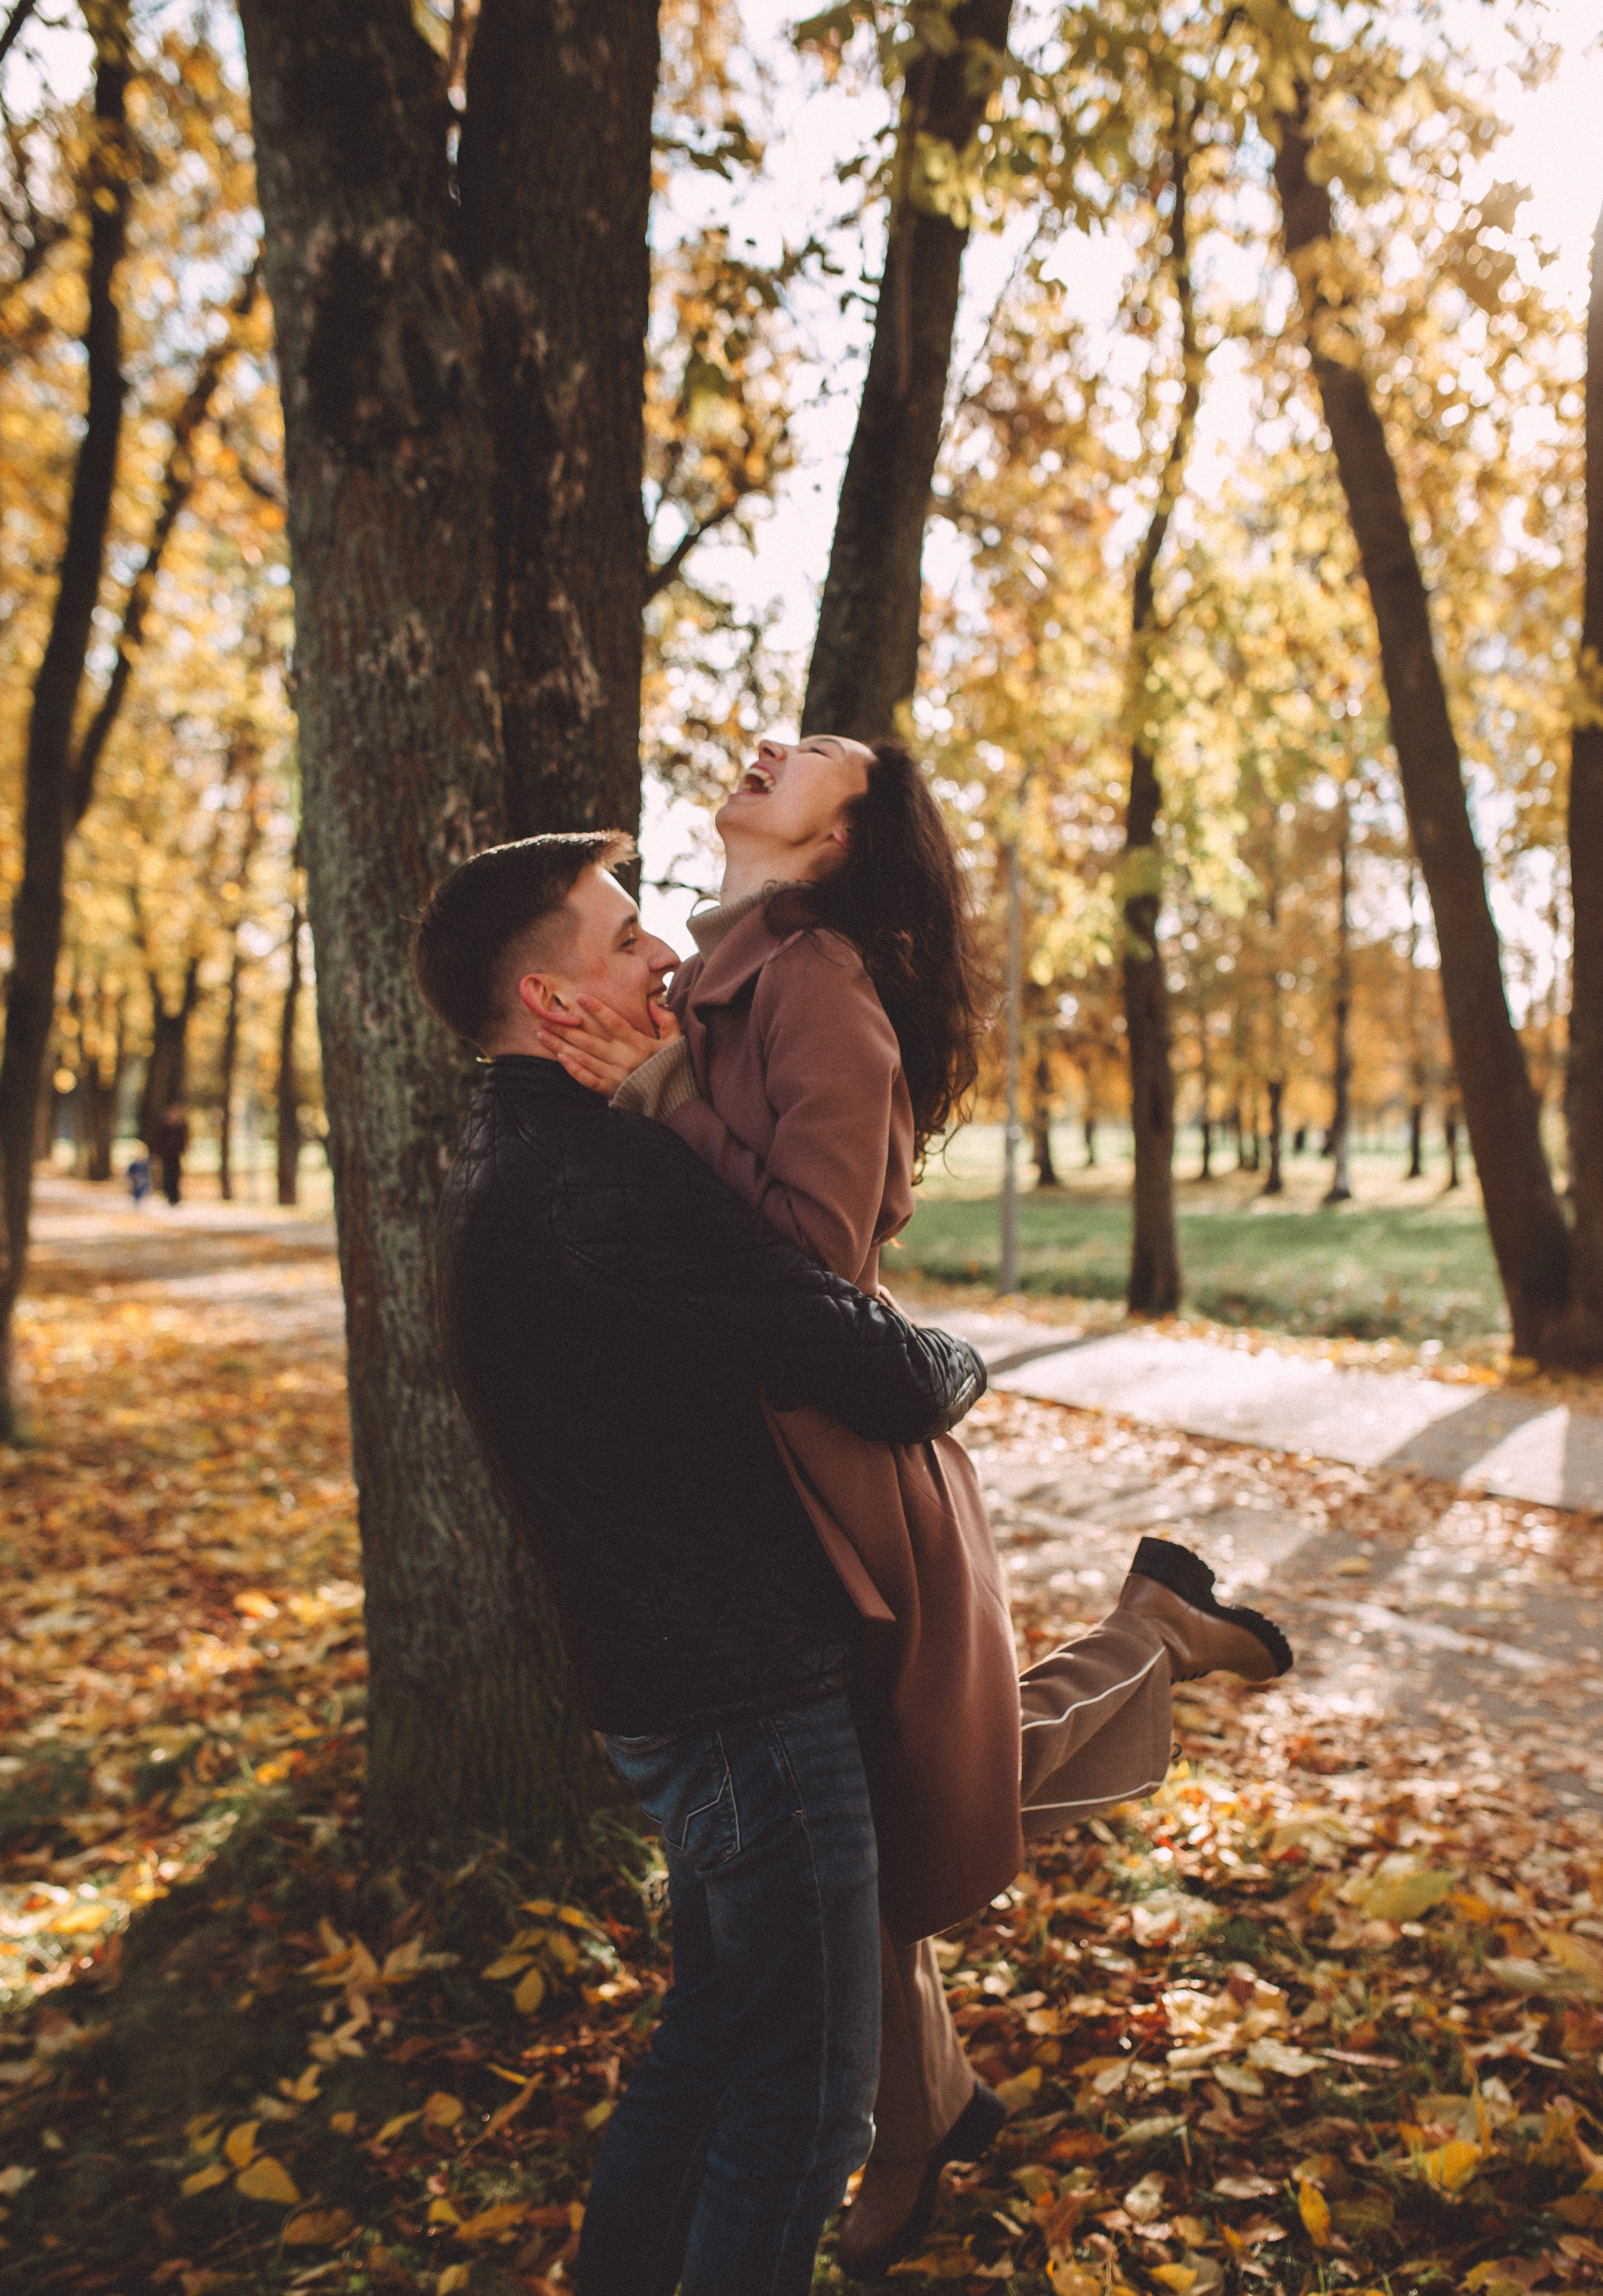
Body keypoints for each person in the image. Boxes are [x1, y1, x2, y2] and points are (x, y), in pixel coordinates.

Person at [539, 735, 1294, 2278]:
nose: (769, 748)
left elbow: (801, 1267)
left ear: (841, 836)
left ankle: (1143, 1646)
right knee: (866, 1823)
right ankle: (927, 2107)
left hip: (837, 1478)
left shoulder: (814, 984)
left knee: (888, 1812)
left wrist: (655, 1090)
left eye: (813, 756)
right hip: (752, 1481)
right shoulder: (723, 974)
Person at [411, 830, 990, 2296]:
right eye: (621, 939)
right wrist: (963, 1355)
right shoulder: (597, 1181)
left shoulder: (517, 1158)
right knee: (802, 2111)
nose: (663, 950)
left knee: (714, 2039)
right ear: (550, 1001)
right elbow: (868, 1365)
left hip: (669, 1694)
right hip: (742, 1703)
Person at [152, 1104, 189, 1206]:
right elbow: (159, 1140)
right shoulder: (164, 1127)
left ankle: (175, 1197)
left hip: (176, 1155)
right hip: (166, 1155)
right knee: (167, 1175)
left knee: (176, 1175)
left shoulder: (180, 1127)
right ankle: (168, 1195)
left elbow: (184, 1140)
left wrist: (183, 1149)